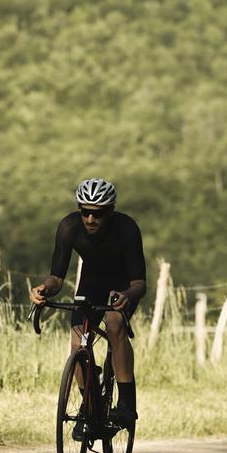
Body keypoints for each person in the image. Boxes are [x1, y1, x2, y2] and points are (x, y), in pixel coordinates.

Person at [30, 178, 147, 432]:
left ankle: (127, 403)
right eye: (85, 212)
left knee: (115, 323)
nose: (90, 220)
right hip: (92, 283)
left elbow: (140, 283)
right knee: (77, 342)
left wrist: (127, 295)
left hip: (124, 285)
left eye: (97, 214)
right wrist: (43, 290)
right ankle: (91, 409)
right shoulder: (69, 227)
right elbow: (56, 279)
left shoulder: (126, 228)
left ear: (110, 212)